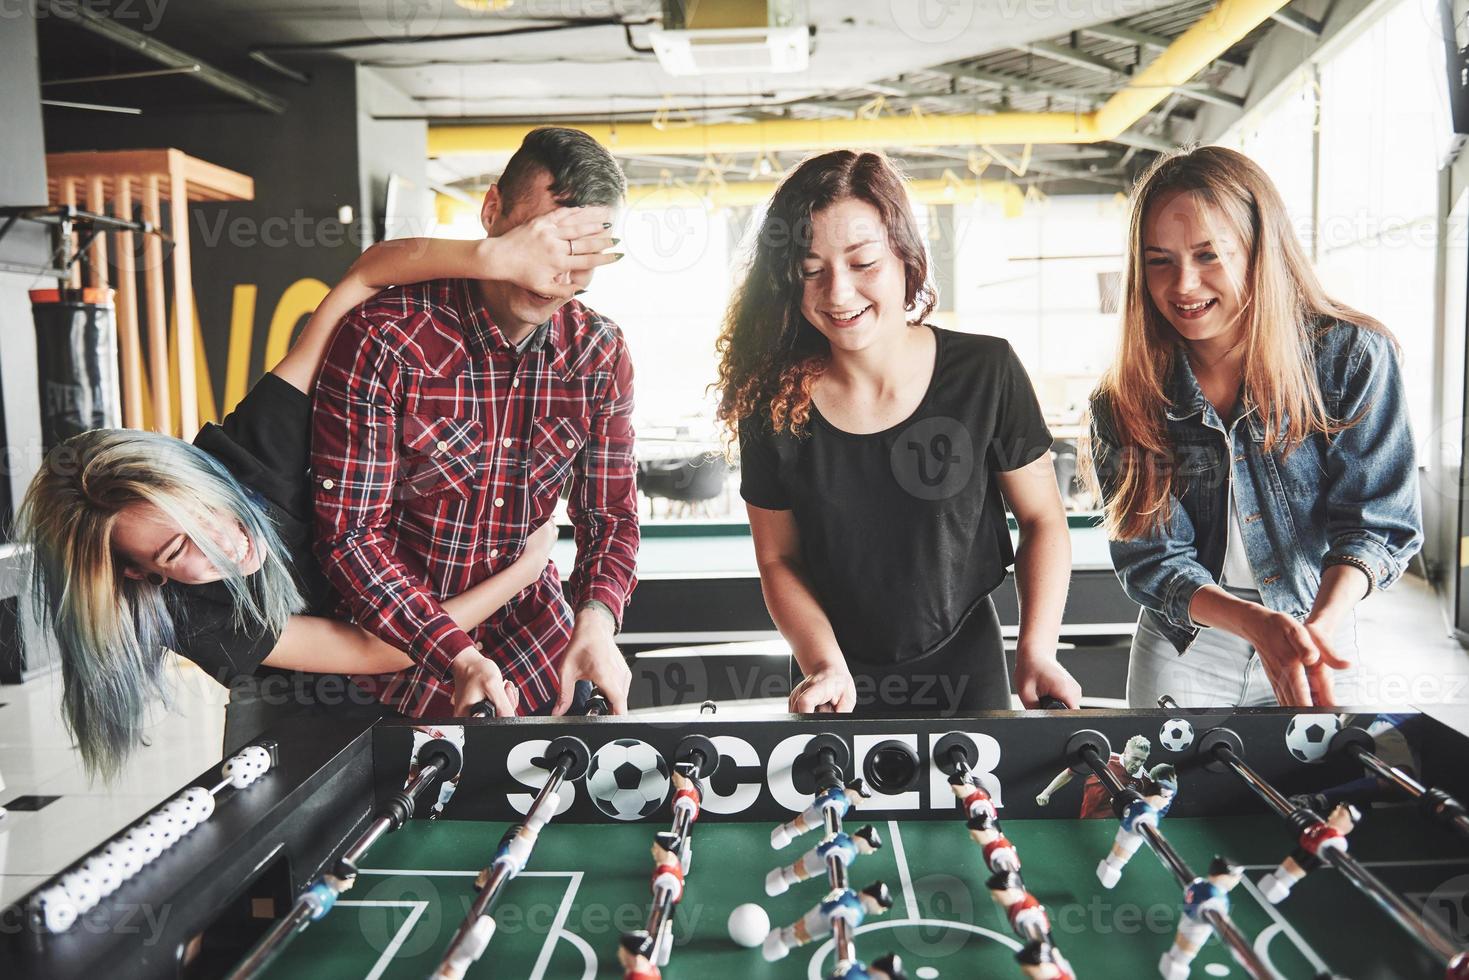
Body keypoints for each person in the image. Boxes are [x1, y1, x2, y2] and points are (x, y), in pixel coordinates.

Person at [16, 206, 617, 775]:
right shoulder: (190, 612)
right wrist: (527, 567)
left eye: (202, 511)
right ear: (141, 575)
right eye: (178, 553)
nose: (221, 543)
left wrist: (495, 257)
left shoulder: (252, 452)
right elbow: (371, 649)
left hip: (399, 654)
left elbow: (367, 274)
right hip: (303, 705)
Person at [715, 149, 1081, 716]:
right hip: (832, 674)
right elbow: (778, 559)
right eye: (811, 271)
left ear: (906, 258)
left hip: (968, 667)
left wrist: (1037, 650)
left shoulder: (986, 372)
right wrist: (822, 664)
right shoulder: (771, 402)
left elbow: (1043, 520)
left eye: (863, 264)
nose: (837, 293)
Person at [312, 126, 640, 720]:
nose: (555, 277)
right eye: (545, 242)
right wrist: (454, 652)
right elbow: (351, 538)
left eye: (582, 256)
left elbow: (610, 518)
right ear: (493, 211)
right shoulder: (386, 336)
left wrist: (596, 621)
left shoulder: (599, 351)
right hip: (390, 672)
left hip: (538, 657)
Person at [1086, 145, 1423, 709]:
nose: (1184, 285)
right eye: (1159, 260)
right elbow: (1155, 559)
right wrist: (1256, 625)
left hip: (1318, 631)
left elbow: (1376, 523)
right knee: (1172, 797)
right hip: (1187, 648)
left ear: (1260, 252)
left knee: (1331, 796)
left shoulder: (1350, 355)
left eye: (1209, 254)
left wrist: (1317, 628)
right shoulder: (1125, 396)